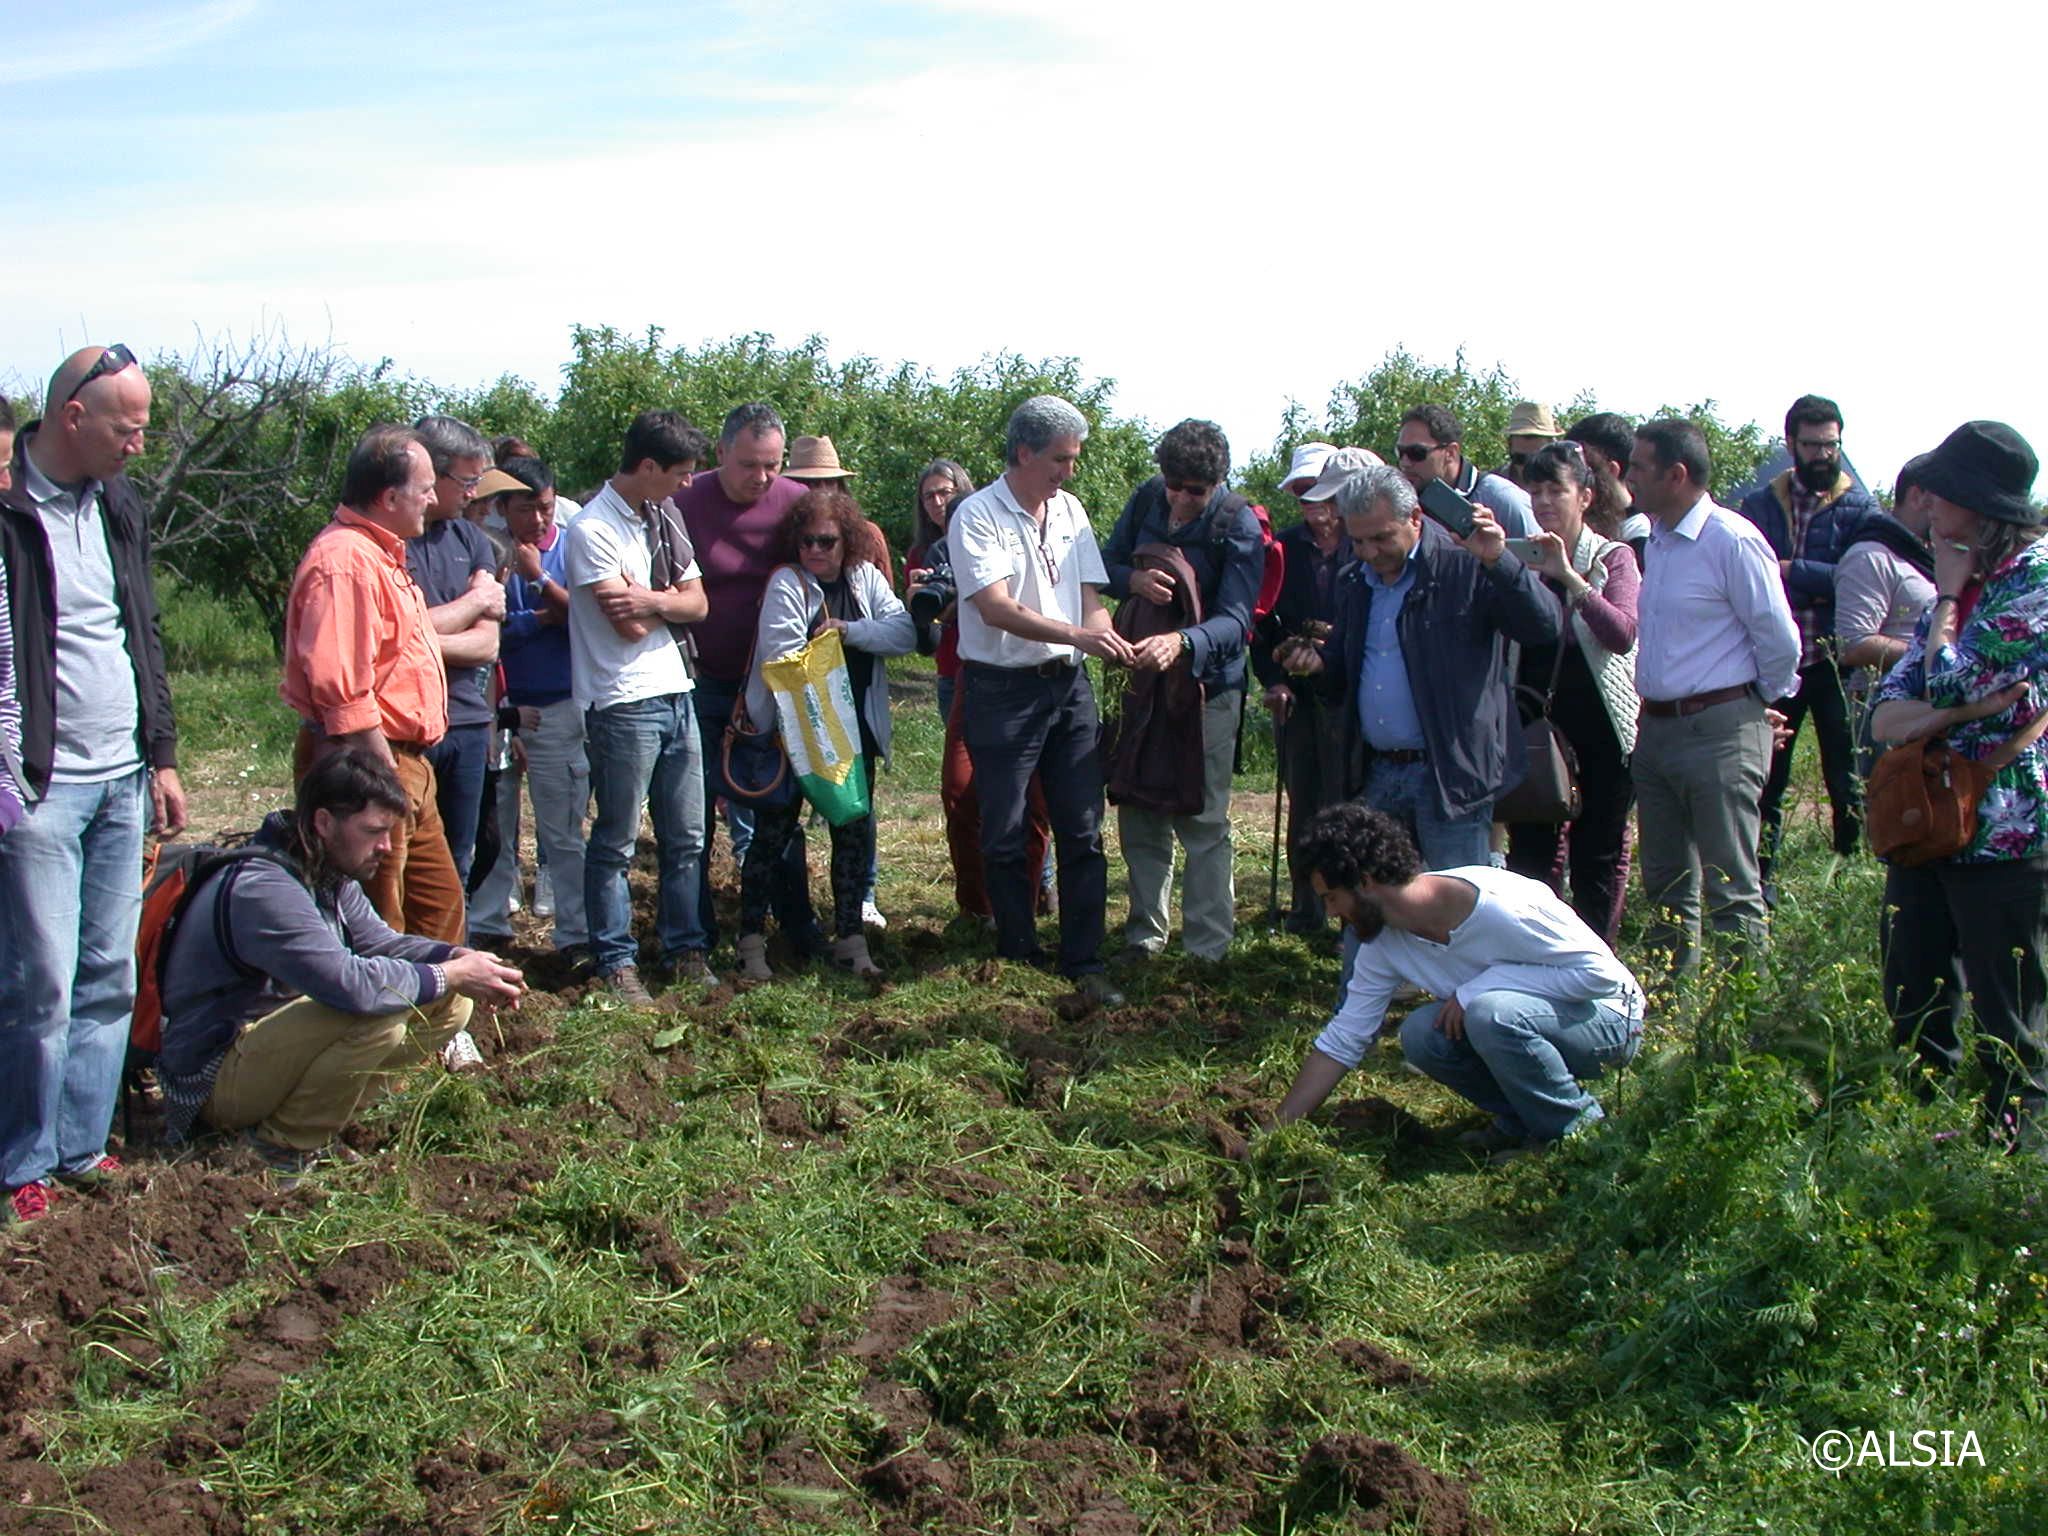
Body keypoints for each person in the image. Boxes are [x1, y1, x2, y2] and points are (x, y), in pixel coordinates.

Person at [0, 346, 187, 1225]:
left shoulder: (118, 504)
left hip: (120, 776)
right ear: (73, 415)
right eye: (129, 425)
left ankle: (81, 1146)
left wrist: (162, 754)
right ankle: (23, 1161)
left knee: (109, 970)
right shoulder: (6, 509)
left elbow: (138, 627)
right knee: (40, 978)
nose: (140, 443)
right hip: (39, 781)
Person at [155, 750, 525, 1180]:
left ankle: (321, 1124)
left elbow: (380, 943)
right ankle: (278, 1148)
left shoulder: (324, 868)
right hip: (214, 1077)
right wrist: (451, 974)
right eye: (374, 832)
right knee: (377, 1018)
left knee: (453, 1004)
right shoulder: (265, 888)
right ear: (324, 822)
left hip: (268, 1049)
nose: (386, 848)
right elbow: (350, 984)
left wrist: (455, 958)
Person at [1273, 803, 1644, 1156]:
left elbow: (1600, 976)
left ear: (1366, 881)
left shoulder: (1501, 906)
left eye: (1333, 897)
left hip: (1610, 1021)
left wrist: (1477, 990)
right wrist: (1274, 1131)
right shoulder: (1382, 943)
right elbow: (1344, 1039)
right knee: (1421, 1035)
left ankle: (1578, 1130)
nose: (1332, 912)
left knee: (1490, 1013)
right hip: (1529, 1020)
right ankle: (1525, 1118)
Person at [1872, 421, 2048, 1152]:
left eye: (1942, 498)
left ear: (1980, 508)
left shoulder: (2034, 580)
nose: (1929, 511)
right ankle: (1924, 1132)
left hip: (2003, 824)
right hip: (1925, 817)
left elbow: (1946, 677)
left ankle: (2015, 1152)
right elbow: (1887, 710)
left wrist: (1944, 600)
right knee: (1914, 980)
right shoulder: (1966, 578)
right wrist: (1967, 709)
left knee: (2006, 1006)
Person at [1277, 463, 1560, 869]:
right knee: (1381, 912)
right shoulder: (1355, 580)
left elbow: (1543, 626)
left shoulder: (1465, 565)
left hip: (1450, 778)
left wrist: (1500, 561)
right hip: (1376, 775)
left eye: (1381, 538)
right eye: (1358, 542)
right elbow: (1345, 671)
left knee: (1454, 910)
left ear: (1414, 518)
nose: (1370, 553)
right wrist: (1318, 666)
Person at [952, 395, 1136, 1004]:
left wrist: (1102, 632)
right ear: (1024, 453)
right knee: (1004, 829)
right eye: (1060, 459)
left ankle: (1084, 959)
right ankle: (1018, 950)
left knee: (1083, 827)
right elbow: (996, 608)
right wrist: (1082, 634)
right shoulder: (976, 515)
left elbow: (1090, 597)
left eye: (1074, 460)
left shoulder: (1071, 510)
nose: (1068, 472)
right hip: (1001, 690)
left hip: (1069, 688)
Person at [1628, 418, 1800, 974]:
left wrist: (1750, 704)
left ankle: (1741, 1030)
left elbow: (1779, 638)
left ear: (1676, 475)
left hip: (1717, 731)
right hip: (1657, 730)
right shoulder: (1658, 537)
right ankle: (1675, 1023)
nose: (1628, 476)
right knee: (1665, 883)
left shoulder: (1732, 539)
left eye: (1638, 467)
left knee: (1729, 885)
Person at [282, 425, 464, 949]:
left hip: (405, 763)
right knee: (379, 921)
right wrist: (381, 774)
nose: (433, 498)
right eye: (425, 488)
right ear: (389, 497)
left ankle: (439, 1025)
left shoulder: (379, 555)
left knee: (436, 905)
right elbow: (341, 689)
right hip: (369, 761)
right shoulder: (346, 562)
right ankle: (384, 1027)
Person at [734, 489, 915, 980]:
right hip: (795, 737)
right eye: (807, 540)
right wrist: (843, 638)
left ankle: (851, 939)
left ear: (847, 540)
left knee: (852, 837)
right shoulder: (787, 584)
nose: (815, 550)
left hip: (854, 737)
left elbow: (904, 634)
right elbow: (782, 659)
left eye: (826, 541)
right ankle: (750, 941)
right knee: (772, 837)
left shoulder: (864, 578)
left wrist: (847, 632)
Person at [1101, 419, 1264, 962]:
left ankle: (1207, 948)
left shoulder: (1238, 524)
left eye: (1194, 489)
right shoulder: (1147, 498)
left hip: (1207, 689)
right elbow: (1104, 561)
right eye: (1173, 483)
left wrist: (1183, 641)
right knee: (1139, 802)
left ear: (1217, 482)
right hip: (1139, 681)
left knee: (1203, 816)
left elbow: (1238, 621)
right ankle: (1145, 935)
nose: (1180, 497)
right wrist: (1133, 580)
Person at [564, 410, 712, 1005]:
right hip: (623, 700)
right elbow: (623, 626)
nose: (687, 484)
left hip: (677, 689)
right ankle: (616, 961)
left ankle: (685, 950)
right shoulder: (592, 530)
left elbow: (698, 604)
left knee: (688, 836)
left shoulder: (665, 519)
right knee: (618, 840)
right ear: (647, 466)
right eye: (679, 473)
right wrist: (666, 603)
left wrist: (650, 596)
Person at [679, 404, 824, 954]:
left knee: (778, 806)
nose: (762, 477)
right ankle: (696, 933)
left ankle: (794, 924)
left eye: (772, 464)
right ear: (720, 454)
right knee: (693, 813)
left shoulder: (794, 505)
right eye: (749, 465)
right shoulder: (684, 504)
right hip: (700, 681)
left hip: (776, 685)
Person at [1738, 395, 1885, 888]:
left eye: (1831, 444)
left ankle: (1850, 870)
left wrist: (1789, 571)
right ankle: (1763, 881)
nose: (1824, 454)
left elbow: (1858, 578)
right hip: (1776, 659)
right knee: (1768, 777)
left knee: (1845, 774)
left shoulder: (1860, 508)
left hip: (1833, 659)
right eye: (1813, 445)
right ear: (1791, 444)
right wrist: (1803, 576)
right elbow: (1746, 574)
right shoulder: (1760, 503)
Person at [1504, 442, 1641, 945]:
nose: (1542, 501)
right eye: (1534, 490)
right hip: (1536, 727)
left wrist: (1568, 576)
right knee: (1530, 860)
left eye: (1554, 490)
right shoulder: (1520, 561)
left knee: (1597, 858)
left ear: (1584, 496)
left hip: (1602, 730)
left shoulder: (1613, 558)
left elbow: (1622, 632)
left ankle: (1597, 971)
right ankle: (1538, 963)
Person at [917, 471, 1055, 928]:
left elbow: (1010, 603)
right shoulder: (933, 553)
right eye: (929, 495)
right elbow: (924, 636)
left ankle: (1030, 899)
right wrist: (929, 604)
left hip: (1032, 672)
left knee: (1030, 799)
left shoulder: (1013, 534)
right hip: (968, 677)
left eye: (945, 492)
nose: (938, 502)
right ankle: (978, 908)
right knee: (961, 792)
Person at [467, 458, 590, 958]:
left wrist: (539, 585)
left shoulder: (568, 551)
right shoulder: (488, 552)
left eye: (545, 508)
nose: (539, 521)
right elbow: (487, 631)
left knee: (563, 828)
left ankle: (576, 933)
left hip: (558, 705)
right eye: (526, 510)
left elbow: (577, 616)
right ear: (502, 508)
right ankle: (490, 923)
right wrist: (536, 620)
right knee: (494, 825)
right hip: (500, 707)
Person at [1253, 442, 1355, 933]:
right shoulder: (1285, 549)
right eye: (1302, 493)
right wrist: (1274, 681)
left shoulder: (1365, 542)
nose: (1312, 505)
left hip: (1351, 695)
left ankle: (1353, 911)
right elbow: (1262, 624)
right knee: (1305, 799)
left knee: (1348, 799)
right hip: (1298, 692)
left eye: (1318, 492)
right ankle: (1306, 907)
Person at [407, 415, 504, 886]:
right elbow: (393, 636)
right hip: (408, 727)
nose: (473, 492)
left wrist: (420, 634)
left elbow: (487, 644)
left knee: (458, 860)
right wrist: (472, 604)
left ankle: (453, 956)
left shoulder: (470, 538)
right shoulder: (390, 543)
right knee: (401, 861)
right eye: (466, 481)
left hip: (465, 721)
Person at [1834, 454, 1936, 776]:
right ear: (1918, 496)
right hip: (1884, 713)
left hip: (1924, 712)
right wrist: (1937, 655)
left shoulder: (1924, 554)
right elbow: (1853, 644)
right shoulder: (1872, 555)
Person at [1391, 404, 1537, 536]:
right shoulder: (1402, 502)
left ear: (1450, 453)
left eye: (1416, 453)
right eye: (1400, 452)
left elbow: (1539, 561)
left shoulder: (1502, 499)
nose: (1405, 462)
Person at [1565, 411, 1650, 551]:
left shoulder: (1638, 531)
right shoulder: (1586, 521)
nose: (1575, 479)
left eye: (1582, 469)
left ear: (1611, 470)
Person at [1498, 400, 1563, 488]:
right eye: (1520, 459)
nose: (1527, 468)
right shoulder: (1493, 484)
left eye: (1536, 460)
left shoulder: (1568, 483)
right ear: (1509, 445)